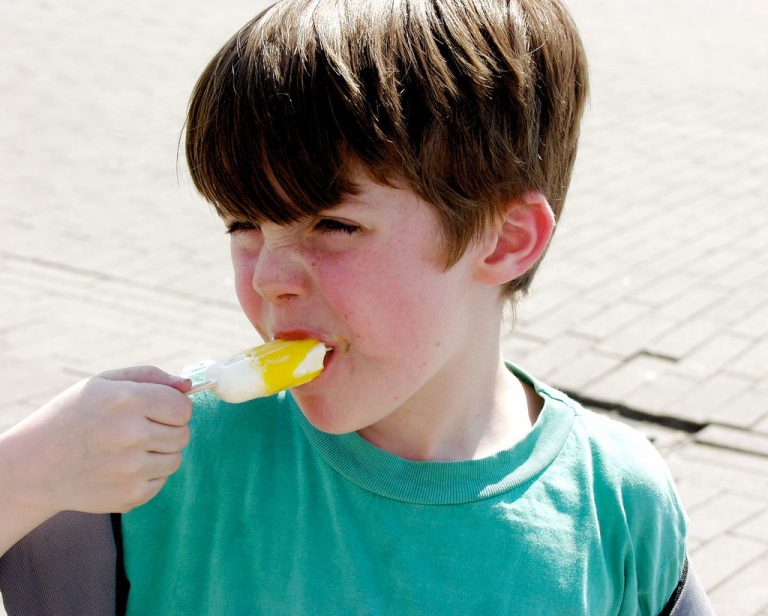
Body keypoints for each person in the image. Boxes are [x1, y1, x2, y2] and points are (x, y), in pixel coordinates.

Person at [1, 0, 706, 613]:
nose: (270, 276)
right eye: (242, 225)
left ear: (505, 239)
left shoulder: (616, 504)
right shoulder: (147, 468)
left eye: (333, 226)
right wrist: (28, 470)